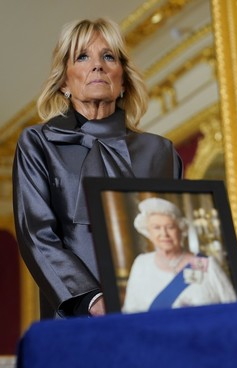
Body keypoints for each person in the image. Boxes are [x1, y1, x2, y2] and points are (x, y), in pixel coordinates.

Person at [12, 18, 183, 319]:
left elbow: (178, 233)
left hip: (152, 312)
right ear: (64, 81)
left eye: (108, 56)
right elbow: (36, 233)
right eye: (82, 56)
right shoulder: (38, 143)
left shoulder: (161, 152)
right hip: (75, 315)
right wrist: (91, 300)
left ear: (123, 79)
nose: (97, 65)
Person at [122, 197, 236, 313]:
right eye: (156, 228)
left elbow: (233, 308)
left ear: (181, 229)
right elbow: (130, 310)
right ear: (148, 232)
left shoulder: (206, 265)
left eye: (170, 227)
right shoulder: (141, 264)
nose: (164, 234)